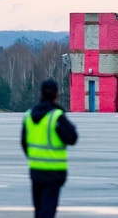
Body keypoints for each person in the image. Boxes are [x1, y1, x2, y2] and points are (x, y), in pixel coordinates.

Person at [21, 79, 78, 218]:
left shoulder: (29, 115)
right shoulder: (56, 116)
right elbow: (72, 138)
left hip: (36, 171)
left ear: (40, 93)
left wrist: (34, 156)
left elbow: (23, 142)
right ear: (56, 95)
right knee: (48, 210)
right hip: (54, 172)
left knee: (39, 208)